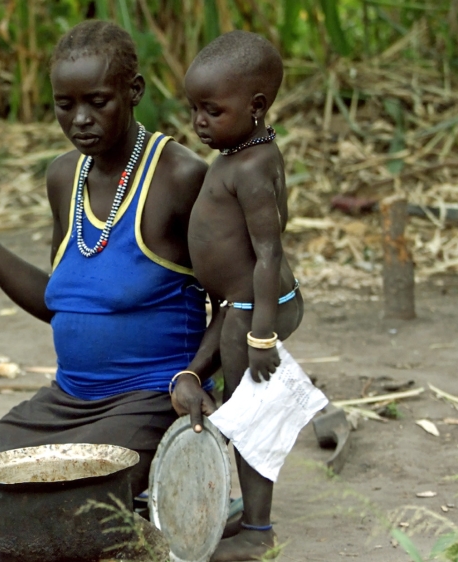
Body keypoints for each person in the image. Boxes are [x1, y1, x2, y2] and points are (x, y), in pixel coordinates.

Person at [0, 19, 219, 556]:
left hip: (146, 401)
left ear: (134, 92)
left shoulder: (179, 177)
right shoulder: (63, 177)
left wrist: (196, 375)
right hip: (66, 402)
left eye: (97, 101)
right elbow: (60, 301)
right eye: (64, 105)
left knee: (63, 509)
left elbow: (238, 301)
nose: (80, 120)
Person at [175, 30, 304, 562]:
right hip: (240, 304)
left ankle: (258, 530)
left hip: (255, 308)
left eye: (212, 111)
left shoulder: (251, 167)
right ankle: (247, 515)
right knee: (239, 407)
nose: (200, 122)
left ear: (256, 107)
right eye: (195, 110)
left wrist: (261, 335)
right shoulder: (241, 154)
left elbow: (269, 253)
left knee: (250, 413)